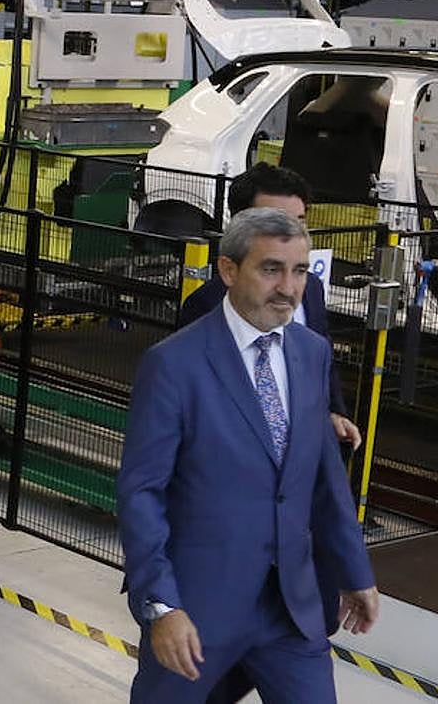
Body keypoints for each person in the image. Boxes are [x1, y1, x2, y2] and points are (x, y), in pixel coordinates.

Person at [118, 207, 380, 704]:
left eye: (299, 271)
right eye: (271, 269)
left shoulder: (311, 352)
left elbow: (324, 476)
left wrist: (353, 571)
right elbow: (141, 494)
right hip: (196, 609)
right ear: (228, 270)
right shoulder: (174, 365)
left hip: (290, 610)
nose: (288, 287)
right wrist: (161, 605)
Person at [178, 163, 360, 448]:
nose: (291, 237)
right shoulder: (205, 307)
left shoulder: (311, 289)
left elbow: (322, 361)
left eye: (299, 222)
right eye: (276, 224)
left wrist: (333, 412)